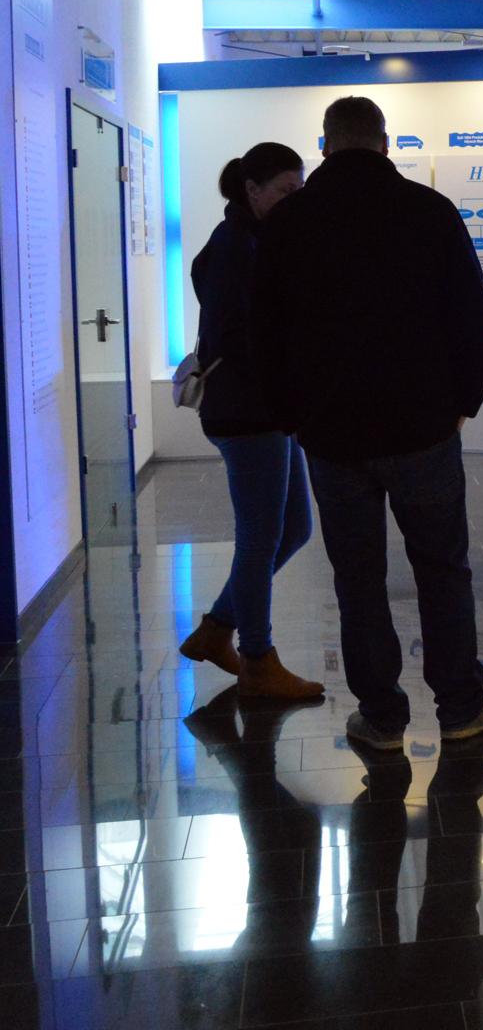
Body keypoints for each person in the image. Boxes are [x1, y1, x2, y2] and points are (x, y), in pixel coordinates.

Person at [251, 95, 483, 749]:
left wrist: (291, 416)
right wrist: (464, 403)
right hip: (423, 428)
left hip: (332, 436)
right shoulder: (430, 211)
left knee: (358, 578)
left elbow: (265, 334)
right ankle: (460, 706)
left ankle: (381, 717)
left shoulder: (290, 223)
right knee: (442, 568)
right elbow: (471, 319)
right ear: (386, 143)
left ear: (324, 145)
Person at [177, 142, 324, 699]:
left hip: (267, 408)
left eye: (299, 189)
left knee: (294, 529)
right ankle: (258, 660)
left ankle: (217, 629)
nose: (295, 200)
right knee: (260, 539)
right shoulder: (236, 247)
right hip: (247, 411)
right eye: (286, 190)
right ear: (252, 189)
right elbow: (243, 336)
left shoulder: (255, 240)